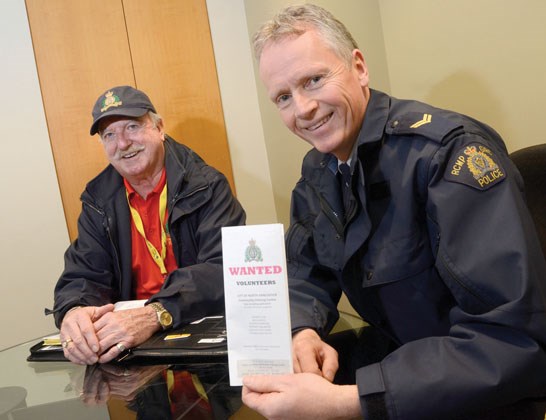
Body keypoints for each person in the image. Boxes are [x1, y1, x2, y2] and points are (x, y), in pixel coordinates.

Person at [242, 4, 546, 419]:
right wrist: (302, 329)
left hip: (484, 400)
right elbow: (306, 270)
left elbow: (511, 339)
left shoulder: (446, 154)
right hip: (408, 379)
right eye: (283, 97)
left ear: (360, 68)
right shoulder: (320, 169)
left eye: (313, 80)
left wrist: (349, 402)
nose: (302, 109)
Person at [52, 85, 245, 365]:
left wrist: (157, 312)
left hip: (200, 329)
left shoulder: (207, 185)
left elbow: (224, 268)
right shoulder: (98, 199)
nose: (123, 144)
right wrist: (74, 310)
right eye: (109, 135)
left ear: (159, 128)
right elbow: (85, 273)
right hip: (133, 344)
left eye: (132, 127)